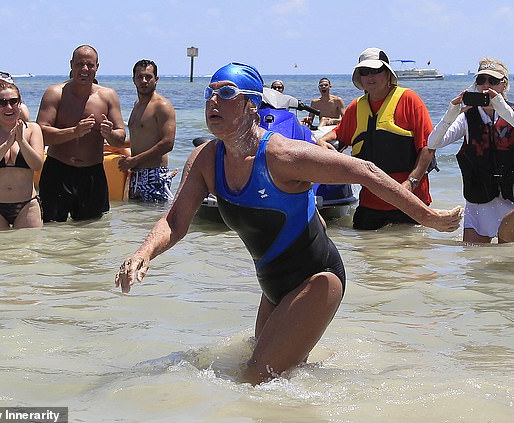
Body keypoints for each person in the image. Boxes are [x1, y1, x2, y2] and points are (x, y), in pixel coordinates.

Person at [115, 62, 463, 385]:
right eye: (210, 93)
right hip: (273, 286)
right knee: (271, 376)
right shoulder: (206, 158)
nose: (213, 102)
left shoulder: (282, 156)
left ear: (253, 105)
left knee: (254, 379)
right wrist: (144, 253)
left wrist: (429, 217)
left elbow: (365, 171)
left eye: (225, 93)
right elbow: (176, 220)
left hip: (316, 279)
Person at [317, 48, 435, 230]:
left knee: (411, 257)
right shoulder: (356, 107)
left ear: (388, 74)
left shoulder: (409, 99)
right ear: (360, 77)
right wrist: (322, 140)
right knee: (366, 254)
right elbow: (340, 135)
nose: (370, 76)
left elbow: (428, 147)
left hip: (410, 201)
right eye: (365, 72)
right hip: (370, 204)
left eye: (376, 70)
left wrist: (410, 183)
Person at [419, 58, 514, 243]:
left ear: (504, 84)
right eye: (481, 80)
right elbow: (433, 143)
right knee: (475, 265)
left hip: (510, 200)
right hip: (479, 199)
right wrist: (451, 113)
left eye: (493, 81)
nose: (486, 86)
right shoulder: (467, 117)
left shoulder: (510, 113)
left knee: (505, 263)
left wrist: (502, 109)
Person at [36, 45, 126, 222]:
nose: (85, 69)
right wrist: (74, 132)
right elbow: (42, 133)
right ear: (71, 65)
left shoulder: (108, 96)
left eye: (90, 65)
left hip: (92, 174)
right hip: (58, 171)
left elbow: (120, 137)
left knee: (92, 233)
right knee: (51, 229)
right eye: (80, 64)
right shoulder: (55, 93)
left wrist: (110, 134)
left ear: (97, 67)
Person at [0, 81, 44, 229]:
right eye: (2, 102)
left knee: (28, 250)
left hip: (27, 204)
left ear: (20, 103)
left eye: (13, 101)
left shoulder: (33, 129)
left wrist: (21, 141)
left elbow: (37, 165)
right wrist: (7, 144)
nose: (9, 107)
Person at [119, 59, 176, 202]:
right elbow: (140, 139)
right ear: (133, 80)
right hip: (136, 175)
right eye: (140, 77)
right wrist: (112, 142)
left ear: (156, 79)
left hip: (154, 174)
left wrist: (134, 161)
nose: (144, 81)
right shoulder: (137, 104)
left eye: (148, 77)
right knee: (137, 220)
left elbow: (168, 143)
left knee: (154, 220)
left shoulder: (162, 106)